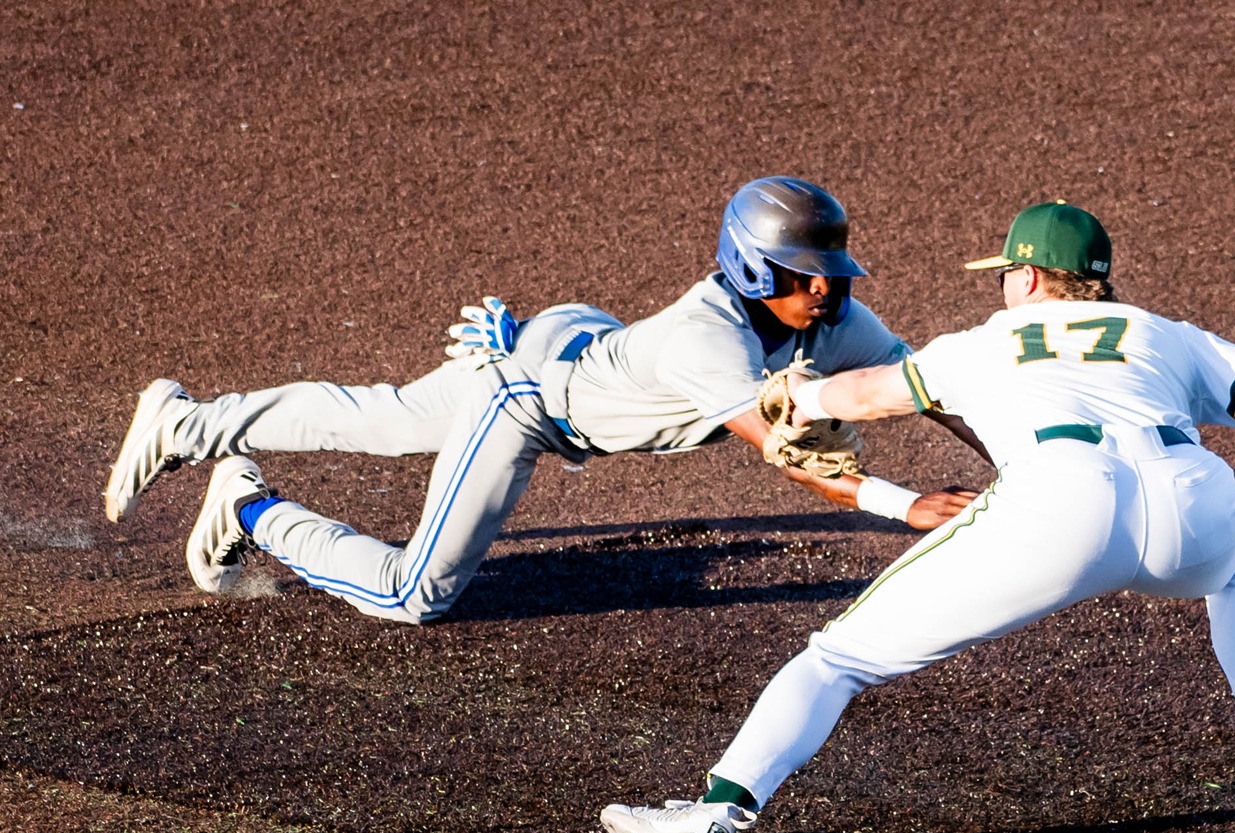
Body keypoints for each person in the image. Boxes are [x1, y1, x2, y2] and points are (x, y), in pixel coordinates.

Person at [600, 200, 1235, 833]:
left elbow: (869, 395)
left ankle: (711, 820)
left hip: (1061, 506)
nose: (1001, 285)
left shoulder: (982, 341)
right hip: (1190, 502)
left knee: (837, 659)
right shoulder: (1164, 335)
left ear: (1032, 278)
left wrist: (802, 399)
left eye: (1006, 272)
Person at [102, 177, 979, 624]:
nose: (826, 292)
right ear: (754, 267)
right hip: (535, 396)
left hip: (577, 344)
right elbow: (790, 455)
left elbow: (932, 389)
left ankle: (189, 425)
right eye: (808, 276)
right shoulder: (708, 340)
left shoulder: (839, 316)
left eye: (834, 275)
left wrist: (1024, 452)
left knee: (384, 416)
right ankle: (244, 499)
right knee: (415, 592)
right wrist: (904, 506)